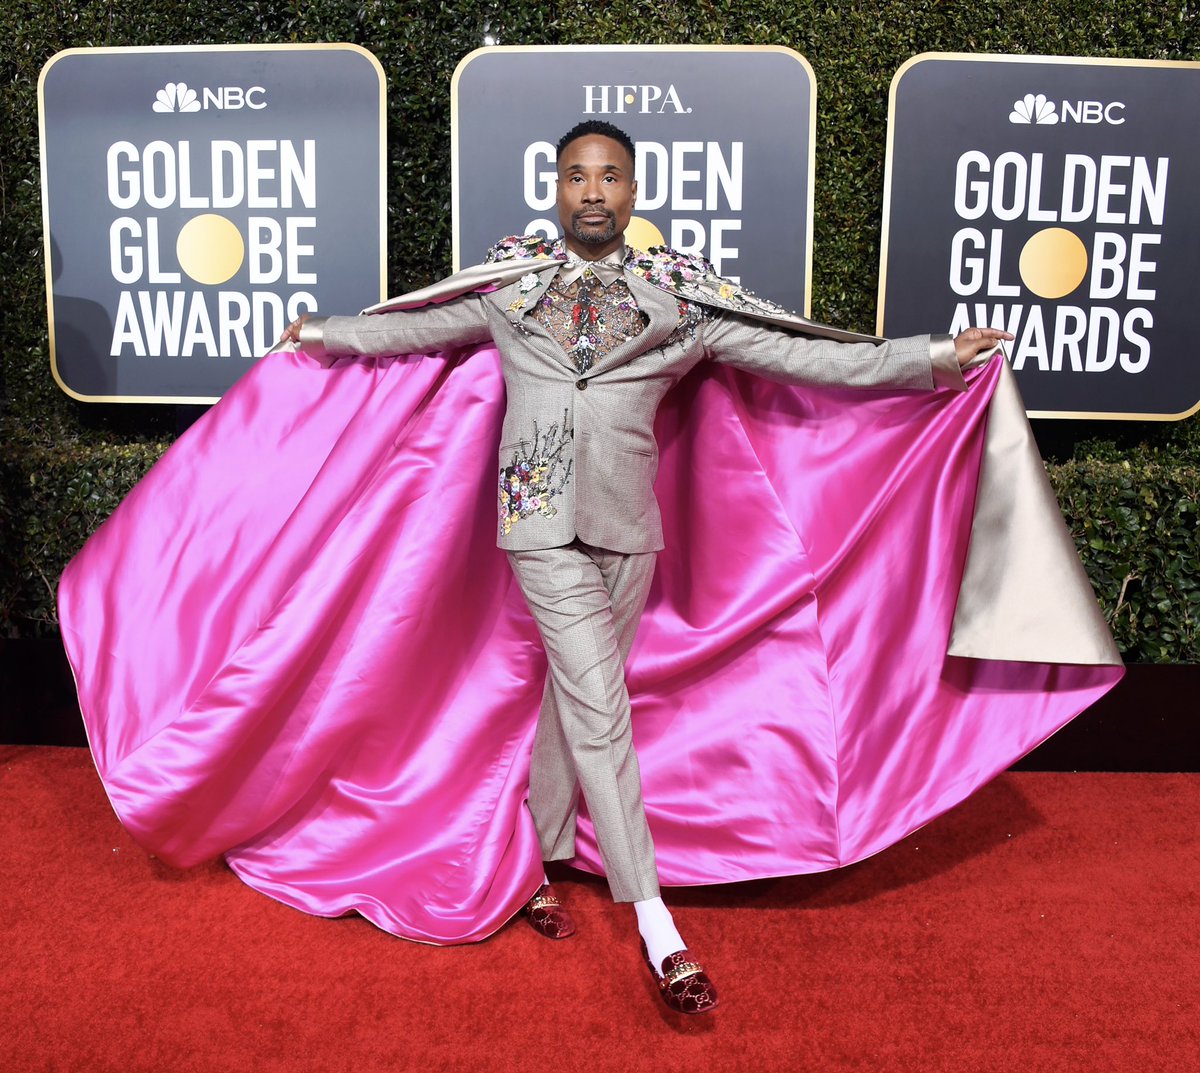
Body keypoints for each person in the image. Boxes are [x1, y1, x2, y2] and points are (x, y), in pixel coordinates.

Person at [277, 120, 1013, 1014]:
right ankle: (657, 925)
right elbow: (418, 329)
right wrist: (321, 333)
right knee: (601, 707)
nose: (592, 191)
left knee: (575, 700)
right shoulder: (511, 288)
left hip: (629, 530)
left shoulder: (680, 300)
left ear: (632, 194)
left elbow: (801, 354)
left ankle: (535, 862)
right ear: (556, 189)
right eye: (576, 176)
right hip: (536, 519)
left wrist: (932, 357)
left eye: (610, 177)